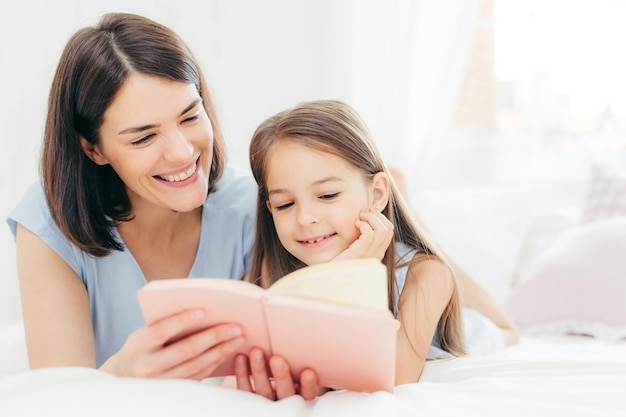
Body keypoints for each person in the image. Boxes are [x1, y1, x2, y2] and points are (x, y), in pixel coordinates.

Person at [6, 12, 318, 399]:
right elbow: (58, 398)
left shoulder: (254, 205)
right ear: (94, 149)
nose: (182, 153)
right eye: (143, 138)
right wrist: (120, 374)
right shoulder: (50, 222)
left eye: (189, 116)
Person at [237, 100, 518, 388]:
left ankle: (411, 214)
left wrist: (354, 273)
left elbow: (392, 375)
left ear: (377, 194)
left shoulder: (426, 275)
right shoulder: (273, 271)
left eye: (328, 195)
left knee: (507, 328)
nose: (305, 218)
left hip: (476, 331)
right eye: (285, 204)